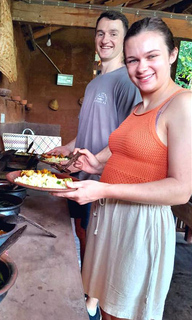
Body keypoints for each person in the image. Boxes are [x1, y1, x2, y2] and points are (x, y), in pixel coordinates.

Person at [53, 17, 192, 320]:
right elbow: (122, 147)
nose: (141, 67)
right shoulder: (140, 106)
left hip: (140, 226)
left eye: (152, 56)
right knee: (106, 310)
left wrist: (104, 188)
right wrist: (96, 162)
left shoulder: (182, 104)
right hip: (111, 219)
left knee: (124, 313)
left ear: (172, 55)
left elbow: (181, 189)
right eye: (133, 60)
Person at [48, 11, 141, 276]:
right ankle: (85, 290)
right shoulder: (94, 83)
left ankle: (92, 301)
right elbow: (87, 130)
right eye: (100, 33)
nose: (105, 39)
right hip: (81, 174)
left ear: (124, 41)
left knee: (97, 239)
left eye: (114, 33)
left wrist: (98, 161)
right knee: (81, 231)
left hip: (102, 180)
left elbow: (131, 134)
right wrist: (68, 147)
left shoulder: (127, 82)